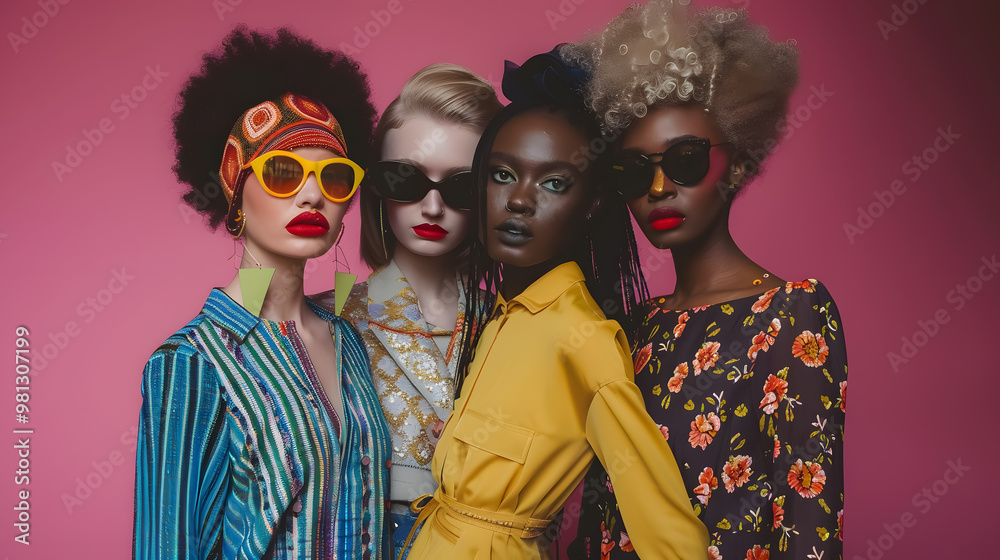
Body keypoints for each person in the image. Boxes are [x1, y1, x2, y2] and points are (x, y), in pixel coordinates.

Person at [562, 2, 847, 559]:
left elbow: (808, 527)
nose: (659, 188)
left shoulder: (792, 315)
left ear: (737, 163)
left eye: (686, 160)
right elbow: (598, 515)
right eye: (634, 170)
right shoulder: (634, 327)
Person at [403, 47, 709, 560]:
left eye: (553, 183)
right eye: (502, 174)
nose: (519, 200)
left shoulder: (583, 336)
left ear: (591, 203)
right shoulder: (499, 315)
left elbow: (660, 515)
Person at [132, 27, 391, 559]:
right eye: (283, 172)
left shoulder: (349, 342)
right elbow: (165, 547)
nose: (313, 194)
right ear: (234, 189)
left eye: (335, 178)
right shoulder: (191, 363)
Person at [319, 63, 501, 557]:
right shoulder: (324, 321)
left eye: (461, 187)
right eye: (405, 179)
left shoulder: (513, 323)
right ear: (375, 186)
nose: (433, 207)